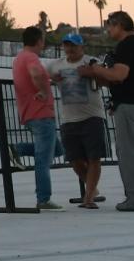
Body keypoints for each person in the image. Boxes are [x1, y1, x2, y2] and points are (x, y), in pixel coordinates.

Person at [78, 10, 134, 212]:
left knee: (129, 154)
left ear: (120, 25)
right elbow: (119, 79)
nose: (108, 30)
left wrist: (95, 68)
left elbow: (119, 74)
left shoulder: (127, 45)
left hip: (129, 106)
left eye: (110, 26)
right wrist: (99, 75)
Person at [46, 33, 108, 209]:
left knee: (94, 157)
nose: (70, 48)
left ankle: (88, 198)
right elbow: (41, 74)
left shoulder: (91, 61)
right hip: (68, 118)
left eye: (73, 45)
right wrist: (52, 78)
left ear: (82, 47)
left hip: (92, 116)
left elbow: (106, 79)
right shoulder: (56, 65)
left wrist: (92, 72)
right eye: (67, 45)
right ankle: (92, 187)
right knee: (75, 160)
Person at [8, 27, 63, 209]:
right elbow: (36, 73)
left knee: (56, 149)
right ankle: (43, 198)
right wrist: (42, 90)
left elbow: (40, 75)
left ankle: (17, 149)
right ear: (39, 41)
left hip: (30, 113)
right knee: (43, 159)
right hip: (41, 113)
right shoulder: (31, 58)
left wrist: (51, 79)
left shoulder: (19, 58)